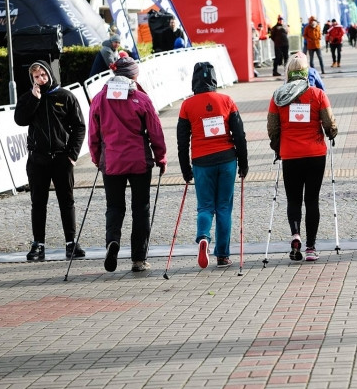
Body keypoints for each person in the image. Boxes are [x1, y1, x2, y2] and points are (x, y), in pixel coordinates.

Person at [87, 57, 167, 273]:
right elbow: (155, 131)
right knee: (141, 209)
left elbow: (93, 133)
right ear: (134, 75)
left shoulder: (99, 98)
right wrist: (161, 157)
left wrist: (97, 158)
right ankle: (138, 259)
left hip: (111, 162)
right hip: (139, 161)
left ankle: (112, 241)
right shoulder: (141, 98)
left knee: (114, 207)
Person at [267, 52, 338, 263]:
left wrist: (277, 147)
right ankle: (310, 247)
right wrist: (331, 133)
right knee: (312, 200)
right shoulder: (318, 94)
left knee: (294, 199)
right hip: (315, 154)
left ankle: (295, 234)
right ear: (307, 72)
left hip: (290, 154)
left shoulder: (278, 96)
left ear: (288, 72)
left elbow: (272, 127)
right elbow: (329, 123)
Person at [178, 62, 249, 268]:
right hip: (227, 160)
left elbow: (182, 142)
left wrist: (185, 170)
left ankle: (203, 238)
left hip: (201, 162)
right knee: (224, 208)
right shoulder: (227, 101)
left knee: (205, 207)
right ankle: (223, 255)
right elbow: (240, 135)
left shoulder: (187, 106)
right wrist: (243, 164)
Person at [14, 61, 87, 262]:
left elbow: (79, 127)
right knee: (38, 203)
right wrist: (33, 99)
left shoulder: (65, 96)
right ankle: (39, 244)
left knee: (67, 201)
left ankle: (71, 242)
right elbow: (20, 119)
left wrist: (72, 154)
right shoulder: (29, 97)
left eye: (43, 75)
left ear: (49, 74)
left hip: (62, 158)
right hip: (37, 159)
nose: (41, 80)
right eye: (36, 77)